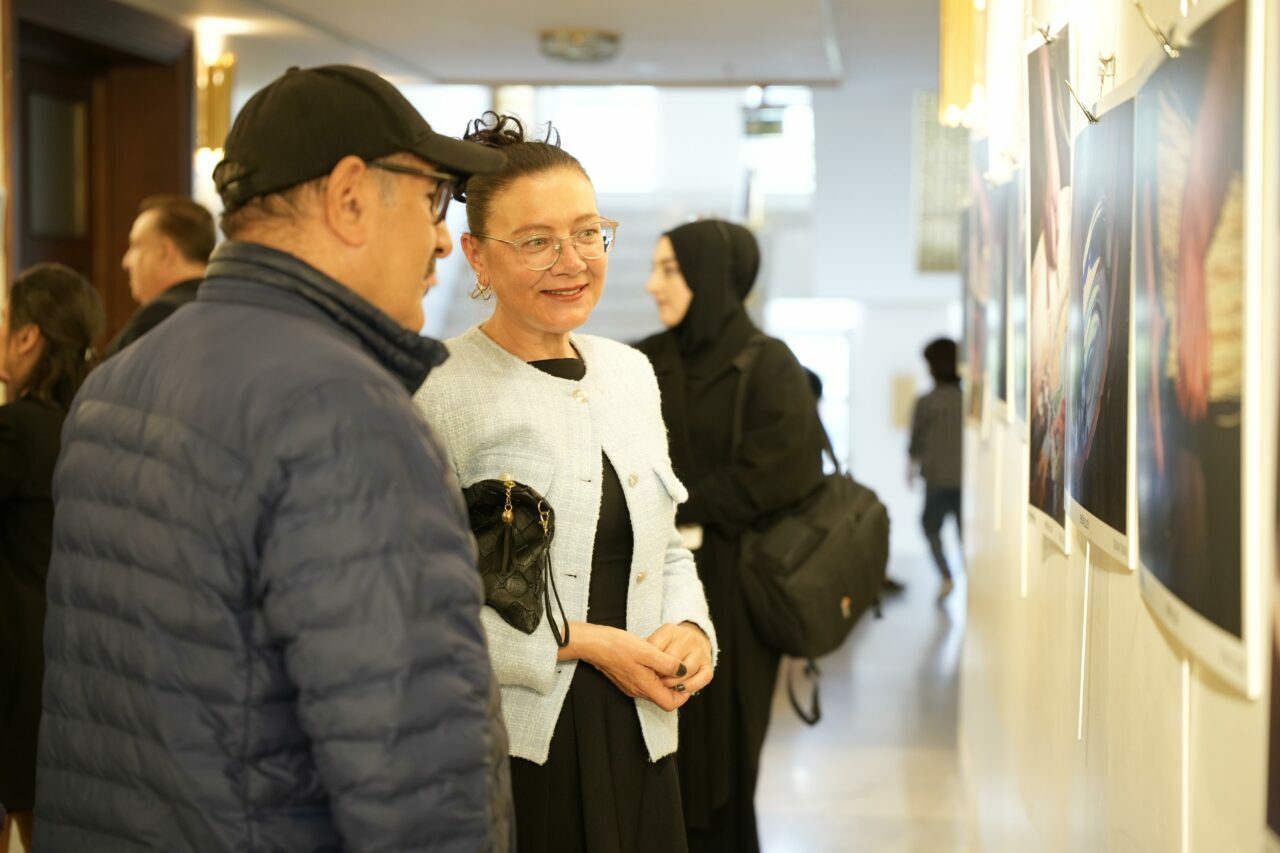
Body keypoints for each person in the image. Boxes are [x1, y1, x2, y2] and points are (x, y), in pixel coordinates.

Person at [34, 65, 514, 852]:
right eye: (432, 197)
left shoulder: (118, 380)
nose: (439, 237)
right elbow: (414, 773)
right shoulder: (344, 411)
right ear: (351, 196)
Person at [414, 113, 717, 853]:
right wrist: (583, 643)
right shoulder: (434, 388)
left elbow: (667, 539)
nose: (572, 260)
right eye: (538, 241)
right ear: (478, 257)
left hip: (644, 725)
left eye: (587, 232)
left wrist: (692, 627)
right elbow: (422, 599)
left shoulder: (629, 372)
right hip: (519, 741)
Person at [636, 219, 825, 853]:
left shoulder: (768, 365)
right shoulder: (642, 363)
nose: (651, 285)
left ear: (710, 277)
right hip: (650, 589)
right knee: (655, 767)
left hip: (736, 596)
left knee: (725, 768)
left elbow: (783, 473)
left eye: (670, 270)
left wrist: (668, 493)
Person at [0, 264, 103, 852]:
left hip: (14, 661)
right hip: (68, 655)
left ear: (29, 337)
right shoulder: (86, 424)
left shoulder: (15, 431)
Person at [103, 195, 215, 358]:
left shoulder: (159, 317)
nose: (125, 262)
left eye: (135, 246)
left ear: (164, 251)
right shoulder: (229, 308)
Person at [908, 337, 964, 600]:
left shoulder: (927, 402)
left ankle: (946, 576)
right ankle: (967, 577)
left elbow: (916, 440)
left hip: (938, 479)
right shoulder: (968, 400)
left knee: (930, 527)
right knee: (968, 535)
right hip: (966, 482)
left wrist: (910, 468)